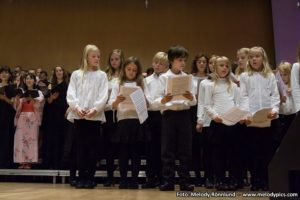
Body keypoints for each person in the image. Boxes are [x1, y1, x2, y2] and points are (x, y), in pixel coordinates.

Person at [67, 44, 108, 189]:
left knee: (92, 148)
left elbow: (103, 95)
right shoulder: (76, 74)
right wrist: (77, 107)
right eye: (94, 56)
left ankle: (90, 177)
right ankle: (81, 177)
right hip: (79, 116)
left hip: (94, 117)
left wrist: (95, 109)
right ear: (86, 57)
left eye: (98, 56)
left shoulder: (102, 75)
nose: (97, 58)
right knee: (81, 148)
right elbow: (71, 94)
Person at [239, 46, 280, 191]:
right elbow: (243, 97)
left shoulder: (269, 75)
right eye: (251, 57)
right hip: (252, 119)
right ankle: (256, 180)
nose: (254, 59)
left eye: (257, 56)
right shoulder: (244, 76)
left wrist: (275, 110)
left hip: (269, 118)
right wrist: (246, 113)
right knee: (254, 151)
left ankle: (268, 180)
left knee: (268, 150)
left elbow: (275, 96)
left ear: (263, 58)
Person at [157, 45, 196, 191]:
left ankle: (185, 181)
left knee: (185, 150)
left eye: (185, 60)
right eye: (180, 60)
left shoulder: (187, 77)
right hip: (169, 115)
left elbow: (193, 102)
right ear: (172, 61)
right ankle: (168, 181)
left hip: (184, 115)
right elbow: (157, 101)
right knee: (168, 150)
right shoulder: (164, 78)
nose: (183, 63)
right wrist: (165, 99)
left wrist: (191, 97)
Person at [109, 56, 147, 189]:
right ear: (124, 69)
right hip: (123, 121)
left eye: (134, 70)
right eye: (129, 69)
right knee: (123, 153)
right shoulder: (117, 83)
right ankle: (123, 180)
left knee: (135, 152)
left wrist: (143, 101)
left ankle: (134, 180)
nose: (131, 72)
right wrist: (117, 101)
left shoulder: (141, 83)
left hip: (137, 120)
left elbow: (147, 104)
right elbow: (111, 105)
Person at [203, 56, 240, 191]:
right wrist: (214, 116)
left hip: (232, 124)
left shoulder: (234, 86)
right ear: (215, 68)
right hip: (218, 124)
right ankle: (220, 179)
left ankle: (232, 179)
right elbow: (207, 105)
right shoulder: (210, 85)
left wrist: (237, 115)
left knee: (232, 154)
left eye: (226, 66)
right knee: (218, 154)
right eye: (221, 65)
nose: (224, 68)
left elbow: (238, 104)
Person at [142, 52, 168, 188]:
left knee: (162, 148)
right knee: (150, 148)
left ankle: (162, 177)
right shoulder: (146, 80)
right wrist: (153, 103)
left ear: (166, 66)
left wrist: (154, 103)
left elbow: (165, 98)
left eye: (162, 63)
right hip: (149, 116)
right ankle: (150, 177)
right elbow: (146, 97)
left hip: (163, 115)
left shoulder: (168, 79)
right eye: (156, 62)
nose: (158, 65)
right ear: (153, 63)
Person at [102, 49, 124, 187]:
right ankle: (109, 176)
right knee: (108, 146)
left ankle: (122, 176)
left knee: (121, 146)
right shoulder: (105, 75)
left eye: (116, 59)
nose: (114, 61)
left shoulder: (125, 74)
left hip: (122, 114)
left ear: (121, 59)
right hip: (108, 114)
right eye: (112, 59)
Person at [14, 73, 44, 169]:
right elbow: (16, 107)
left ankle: (29, 162)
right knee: (20, 139)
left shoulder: (38, 92)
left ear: (34, 81)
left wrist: (33, 99)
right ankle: (21, 161)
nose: (29, 80)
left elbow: (41, 102)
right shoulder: (22, 91)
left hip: (32, 117)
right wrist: (18, 99)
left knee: (31, 139)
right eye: (27, 78)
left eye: (31, 78)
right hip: (22, 117)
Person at [43, 66, 69, 169]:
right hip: (52, 115)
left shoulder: (67, 85)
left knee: (61, 138)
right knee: (51, 138)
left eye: (60, 70)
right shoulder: (50, 85)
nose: (58, 72)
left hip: (62, 114)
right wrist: (51, 99)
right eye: (56, 71)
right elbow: (48, 100)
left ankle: (60, 163)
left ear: (63, 72)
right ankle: (50, 163)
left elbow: (68, 100)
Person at [190, 53, 209, 186]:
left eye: (204, 62)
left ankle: (207, 175)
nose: (202, 64)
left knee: (206, 146)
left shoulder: (210, 78)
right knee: (195, 146)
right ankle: (196, 175)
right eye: (199, 62)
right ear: (195, 64)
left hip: (207, 112)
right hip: (192, 111)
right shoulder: (190, 78)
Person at [0, 66, 15, 168]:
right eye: (2, 72)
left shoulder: (12, 87)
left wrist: (4, 98)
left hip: (7, 116)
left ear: (9, 75)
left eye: (6, 72)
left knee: (6, 140)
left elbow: (13, 103)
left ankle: (5, 164)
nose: (4, 74)